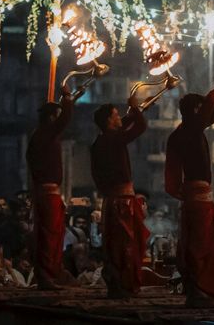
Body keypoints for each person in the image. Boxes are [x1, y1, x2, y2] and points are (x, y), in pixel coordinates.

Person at [165, 79, 214, 307]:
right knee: (200, 247)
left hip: (192, 197)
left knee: (198, 245)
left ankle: (200, 290)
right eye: (201, 109)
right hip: (197, 199)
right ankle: (200, 290)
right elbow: (207, 114)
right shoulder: (190, 130)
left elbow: (209, 116)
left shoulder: (183, 132)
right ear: (195, 111)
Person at [91, 95, 149, 298]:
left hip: (111, 200)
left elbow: (126, 124)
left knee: (114, 245)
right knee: (126, 245)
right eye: (116, 115)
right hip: (122, 203)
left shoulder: (100, 141)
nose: (119, 118)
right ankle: (125, 284)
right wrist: (136, 110)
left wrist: (134, 111)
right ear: (109, 120)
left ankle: (118, 285)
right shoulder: (113, 139)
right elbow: (140, 127)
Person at [25, 86, 73, 289]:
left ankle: (49, 273)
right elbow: (65, 119)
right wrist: (67, 98)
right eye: (56, 116)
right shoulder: (45, 134)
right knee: (49, 236)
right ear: (51, 117)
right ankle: (46, 275)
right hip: (47, 193)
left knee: (51, 234)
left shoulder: (39, 136)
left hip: (45, 193)